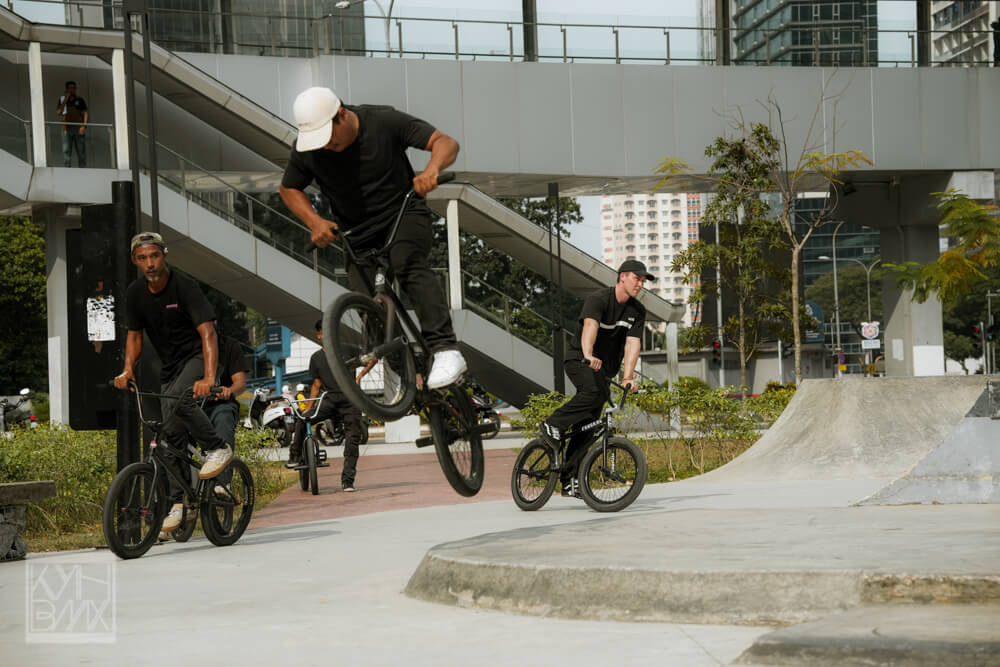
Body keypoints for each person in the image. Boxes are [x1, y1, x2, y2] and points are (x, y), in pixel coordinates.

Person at [279, 86, 467, 390]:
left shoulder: (382, 121)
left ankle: (445, 348)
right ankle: (408, 375)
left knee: (406, 263)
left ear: (341, 115)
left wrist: (432, 169)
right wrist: (314, 222)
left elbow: (445, 142)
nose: (326, 146)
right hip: (356, 232)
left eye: (329, 137)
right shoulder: (308, 150)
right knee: (368, 304)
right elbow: (288, 188)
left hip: (403, 214)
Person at [114, 232, 233, 532]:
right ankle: (181, 502)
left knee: (182, 400)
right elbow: (134, 336)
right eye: (143, 258)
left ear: (164, 255)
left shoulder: (184, 286)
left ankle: (218, 448)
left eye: (155, 256)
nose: (150, 263)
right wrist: (127, 370)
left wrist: (209, 377)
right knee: (169, 436)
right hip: (171, 368)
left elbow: (208, 332)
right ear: (135, 261)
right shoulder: (135, 293)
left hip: (198, 357)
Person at [539, 260, 653, 497]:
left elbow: (633, 343)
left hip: (604, 370)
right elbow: (590, 326)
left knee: (588, 426)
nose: (640, 285)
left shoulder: (637, 311)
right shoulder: (599, 299)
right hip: (580, 360)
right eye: (637, 279)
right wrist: (588, 354)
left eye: (643, 281)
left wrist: (628, 377)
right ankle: (553, 423)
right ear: (622, 277)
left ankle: (569, 480)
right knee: (592, 393)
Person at [286, 319, 364, 492]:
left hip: (351, 401)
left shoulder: (349, 350)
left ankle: (347, 480)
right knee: (303, 419)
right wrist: (308, 408)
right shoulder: (316, 358)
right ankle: (295, 455)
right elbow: (316, 384)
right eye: (324, 332)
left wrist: (360, 376)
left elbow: (372, 357)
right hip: (329, 400)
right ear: (320, 335)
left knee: (352, 440)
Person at [55, 80, 88, 167]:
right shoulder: (62, 100)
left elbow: (85, 113)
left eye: (73, 88)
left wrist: (84, 126)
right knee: (66, 151)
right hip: (66, 129)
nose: (72, 90)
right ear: (66, 89)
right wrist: (66, 99)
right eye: (70, 88)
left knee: (81, 151)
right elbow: (59, 112)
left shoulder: (80, 100)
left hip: (78, 128)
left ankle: (83, 170)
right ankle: (67, 170)